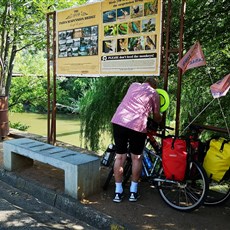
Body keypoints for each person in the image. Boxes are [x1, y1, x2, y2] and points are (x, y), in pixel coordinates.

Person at [111, 77, 162, 203]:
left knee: (119, 157)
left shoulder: (133, 85)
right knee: (136, 158)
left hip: (119, 121)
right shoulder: (154, 93)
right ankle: (133, 192)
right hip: (137, 126)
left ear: (145, 81)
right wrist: (159, 120)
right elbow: (156, 115)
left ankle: (118, 192)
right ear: (154, 86)